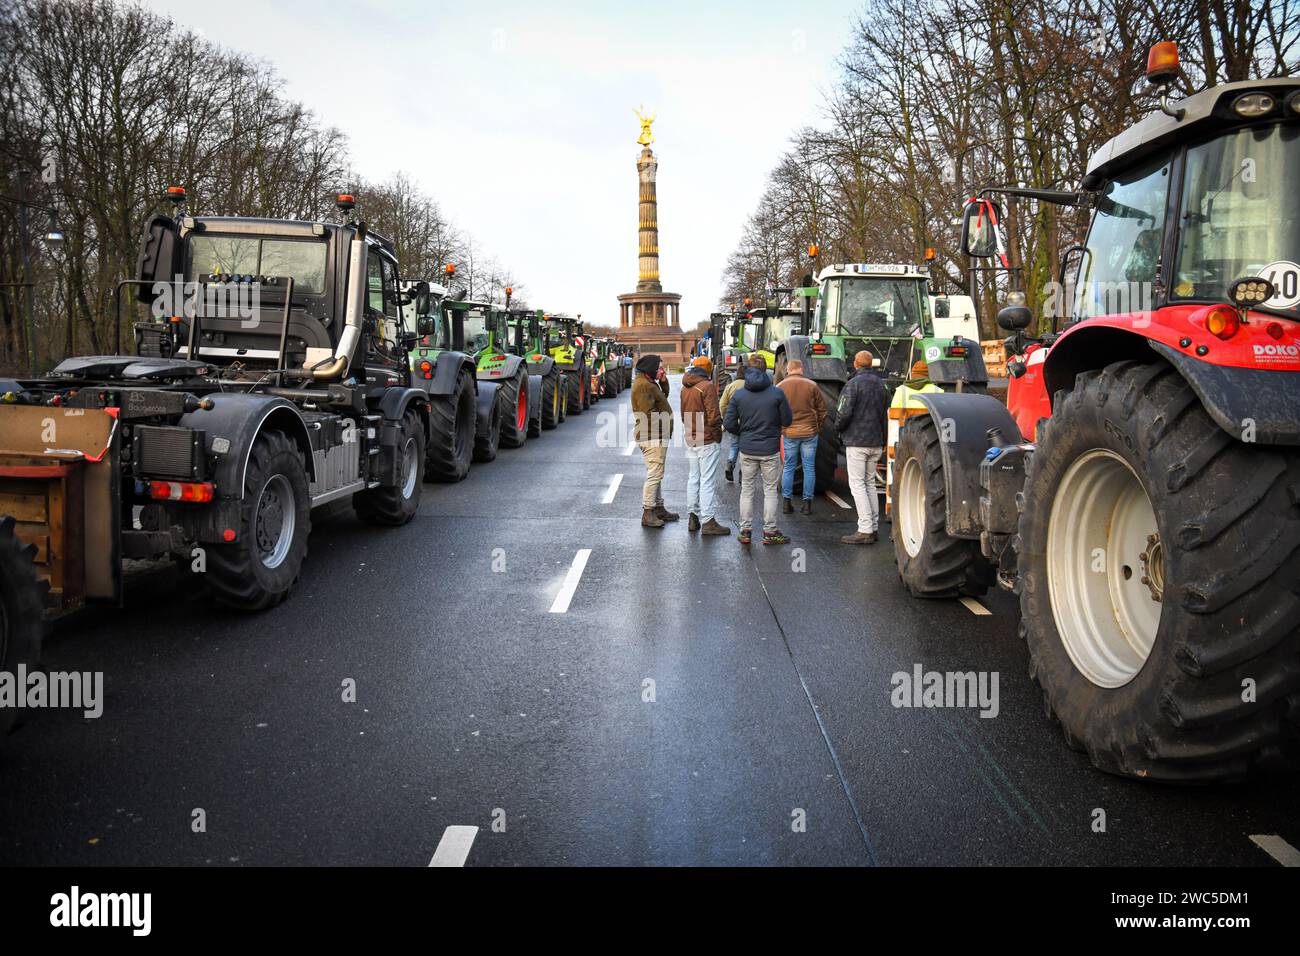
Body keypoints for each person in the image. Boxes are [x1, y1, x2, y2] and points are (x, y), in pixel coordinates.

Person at [723, 354, 792, 546]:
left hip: (747, 449)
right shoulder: (777, 393)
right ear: (765, 369)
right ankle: (770, 532)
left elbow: (728, 423)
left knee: (747, 490)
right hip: (769, 449)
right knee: (770, 490)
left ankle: (745, 531)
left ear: (747, 369)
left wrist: (743, 433)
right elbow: (787, 420)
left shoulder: (739, 395)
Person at [835, 350, 889, 544]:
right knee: (869, 484)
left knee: (857, 485)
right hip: (876, 441)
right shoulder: (882, 386)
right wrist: (884, 439)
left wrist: (838, 428)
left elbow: (844, 413)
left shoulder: (853, 385)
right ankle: (873, 527)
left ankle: (864, 529)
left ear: (856, 364)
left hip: (857, 442)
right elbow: (885, 414)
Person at [679, 356, 730, 535]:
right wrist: (716, 436)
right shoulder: (706, 386)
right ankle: (708, 520)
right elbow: (714, 417)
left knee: (694, 477)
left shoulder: (685, 387)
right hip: (707, 439)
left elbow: (682, 414)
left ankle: (693, 517)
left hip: (691, 437)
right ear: (708, 370)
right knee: (707, 480)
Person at [631, 353, 679, 528]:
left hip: (655, 434)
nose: (662, 370)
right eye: (659, 367)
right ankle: (648, 512)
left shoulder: (649, 383)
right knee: (654, 474)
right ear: (651, 368)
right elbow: (648, 414)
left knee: (657, 472)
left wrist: (664, 382)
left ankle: (658, 508)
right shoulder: (644, 386)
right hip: (651, 435)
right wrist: (662, 430)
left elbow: (662, 398)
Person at [776, 359, 828, 515]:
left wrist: (782, 428)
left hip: (790, 433)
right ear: (801, 369)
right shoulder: (812, 385)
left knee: (789, 467)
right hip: (809, 433)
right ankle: (807, 505)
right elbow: (822, 410)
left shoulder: (780, 387)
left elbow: (776, 411)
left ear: (788, 370)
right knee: (809, 468)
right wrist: (817, 427)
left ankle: (786, 503)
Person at [719, 374, 745, 482]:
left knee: (734, 445)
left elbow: (722, 404)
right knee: (745, 448)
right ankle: (742, 473)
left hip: (734, 420)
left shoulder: (730, 386)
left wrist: (725, 417)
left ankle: (730, 464)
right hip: (747, 420)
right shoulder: (749, 386)